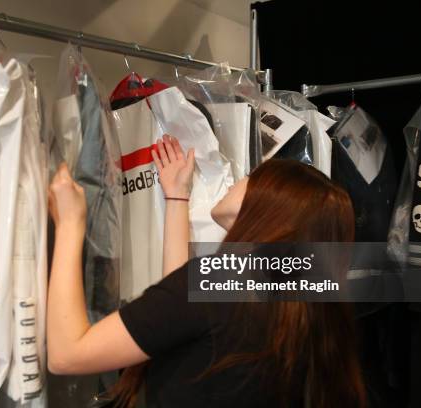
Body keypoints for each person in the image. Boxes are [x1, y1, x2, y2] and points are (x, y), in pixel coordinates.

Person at [47, 135, 366, 408]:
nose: (241, 177)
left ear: (268, 206)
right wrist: (176, 197)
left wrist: (70, 223)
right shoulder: (289, 308)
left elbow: (67, 354)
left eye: (253, 177)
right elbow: (172, 318)